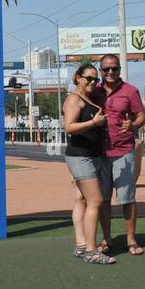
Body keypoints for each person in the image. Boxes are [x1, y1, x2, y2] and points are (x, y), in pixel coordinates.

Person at [62, 63, 114, 265]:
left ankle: (81, 244)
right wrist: (94, 123)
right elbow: (69, 127)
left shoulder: (88, 99)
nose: (92, 82)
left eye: (95, 79)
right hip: (80, 156)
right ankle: (92, 251)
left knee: (81, 199)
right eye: (88, 78)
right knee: (96, 200)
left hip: (90, 156)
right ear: (78, 78)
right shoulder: (74, 99)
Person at [99, 54, 145, 256]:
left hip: (124, 151)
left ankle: (131, 239)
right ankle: (106, 238)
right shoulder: (93, 91)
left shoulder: (130, 91)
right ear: (100, 70)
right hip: (98, 154)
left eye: (114, 68)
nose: (110, 72)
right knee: (103, 199)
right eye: (106, 69)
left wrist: (133, 125)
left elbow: (141, 116)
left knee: (127, 198)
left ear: (120, 69)